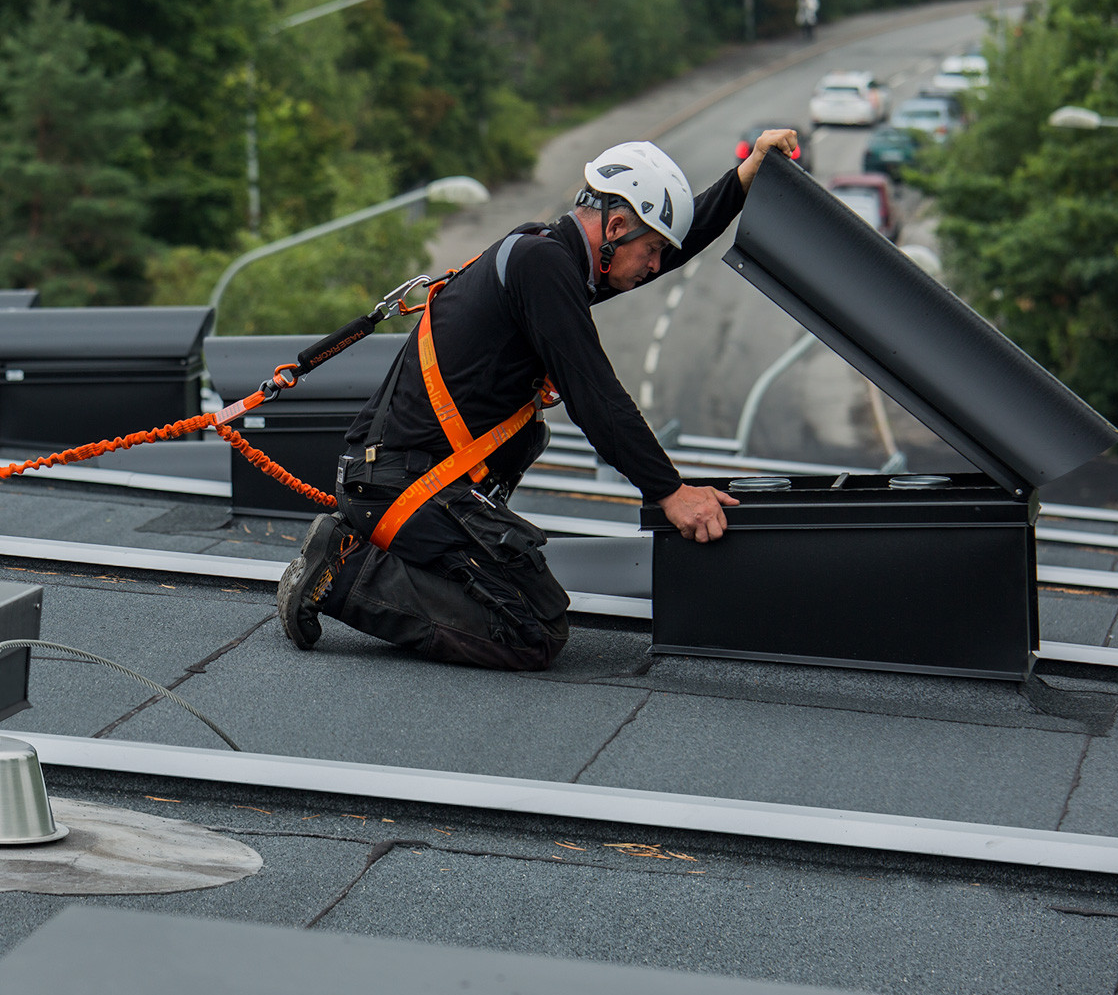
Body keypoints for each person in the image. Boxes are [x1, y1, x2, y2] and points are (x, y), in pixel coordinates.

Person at [277, 130, 802, 672]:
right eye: (651, 252)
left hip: (399, 480)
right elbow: (593, 393)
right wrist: (669, 492)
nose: (654, 268)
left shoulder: (550, 258)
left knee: (525, 607)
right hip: (404, 490)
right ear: (616, 228)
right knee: (530, 631)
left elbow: (666, 248)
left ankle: (371, 555)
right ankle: (344, 574)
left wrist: (745, 177)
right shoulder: (545, 268)